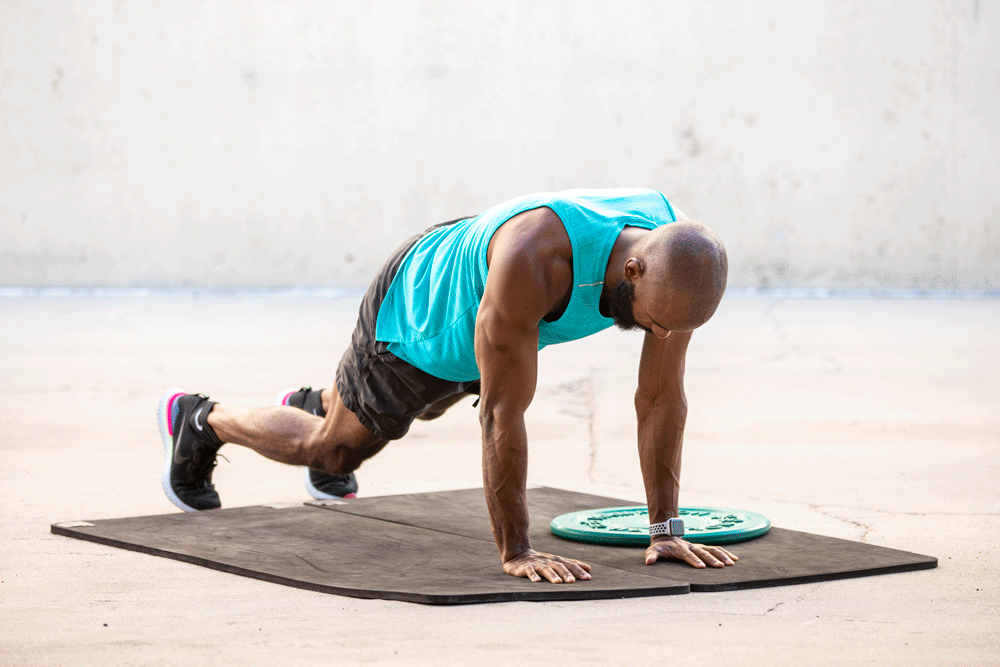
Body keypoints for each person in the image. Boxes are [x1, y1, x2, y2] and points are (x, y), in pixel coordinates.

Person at [158, 188, 738, 584]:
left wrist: (665, 529)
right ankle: (202, 420)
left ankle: (325, 403)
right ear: (632, 270)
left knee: (429, 407)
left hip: (491, 313)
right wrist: (517, 550)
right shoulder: (535, 261)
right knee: (334, 450)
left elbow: (661, 397)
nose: (662, 335)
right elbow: (501, 416)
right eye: (655, 322)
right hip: (422, 307)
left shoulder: (677, 260)